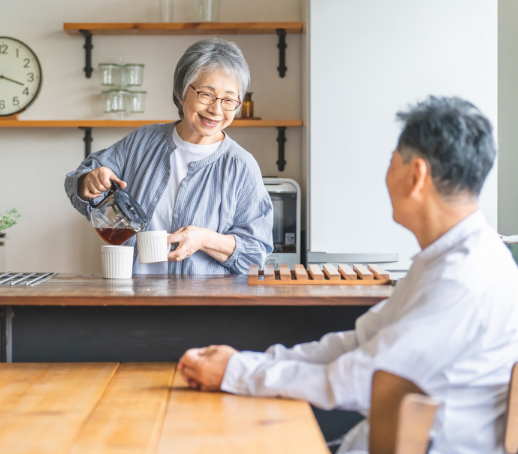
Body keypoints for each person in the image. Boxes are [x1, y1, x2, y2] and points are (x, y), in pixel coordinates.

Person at [177, 97, 518, 454]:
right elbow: (356, 343)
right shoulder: (445, 261)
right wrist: (246, 362)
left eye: (391, 162)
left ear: (416, 176)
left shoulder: (464, 277)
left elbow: (361, 379)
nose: (386, 176)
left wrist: (237, 374)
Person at [65, 39, 273, 274]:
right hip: (135, 301)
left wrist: (204, 239)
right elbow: (76, 183)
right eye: (206, 94)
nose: (216, 110)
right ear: (182, 92)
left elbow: (256, 255)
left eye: (229, 100)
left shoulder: (241, 166)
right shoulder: (143, 142)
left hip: (204, 307)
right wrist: (89, 181)